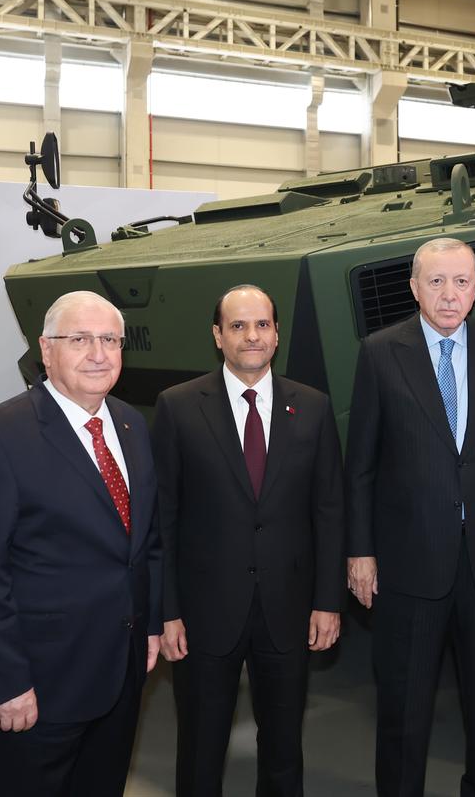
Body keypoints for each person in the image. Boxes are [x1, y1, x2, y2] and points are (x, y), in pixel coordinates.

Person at [346, 237, 475, 797]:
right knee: (404, 706)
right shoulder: (381, 353)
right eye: (436, 282)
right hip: (409, 565)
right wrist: (360, 552)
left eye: (461, 281)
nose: (449, 294)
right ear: (414, 288)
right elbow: (359, 465)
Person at [0, 290, 161, 797]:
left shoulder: (130, 425)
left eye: (110, 339)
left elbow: (145, 539)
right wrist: (3, 683)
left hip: (120, 672)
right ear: (46, 350)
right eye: (80, 339)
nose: (99, 353)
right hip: (37, 689)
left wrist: (150, 622)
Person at [153, 285, 345, 797]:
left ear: (276, 334)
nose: (251, 336)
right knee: (200, 749)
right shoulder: (177, 408)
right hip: (203, 615)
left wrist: (328, 601)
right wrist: (167, 608)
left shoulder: (314, 407)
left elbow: (329, 512)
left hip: (287, 609)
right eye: (238, 326)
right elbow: (164, 518)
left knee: (284, 748)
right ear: (218, 336)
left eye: (261, 325)